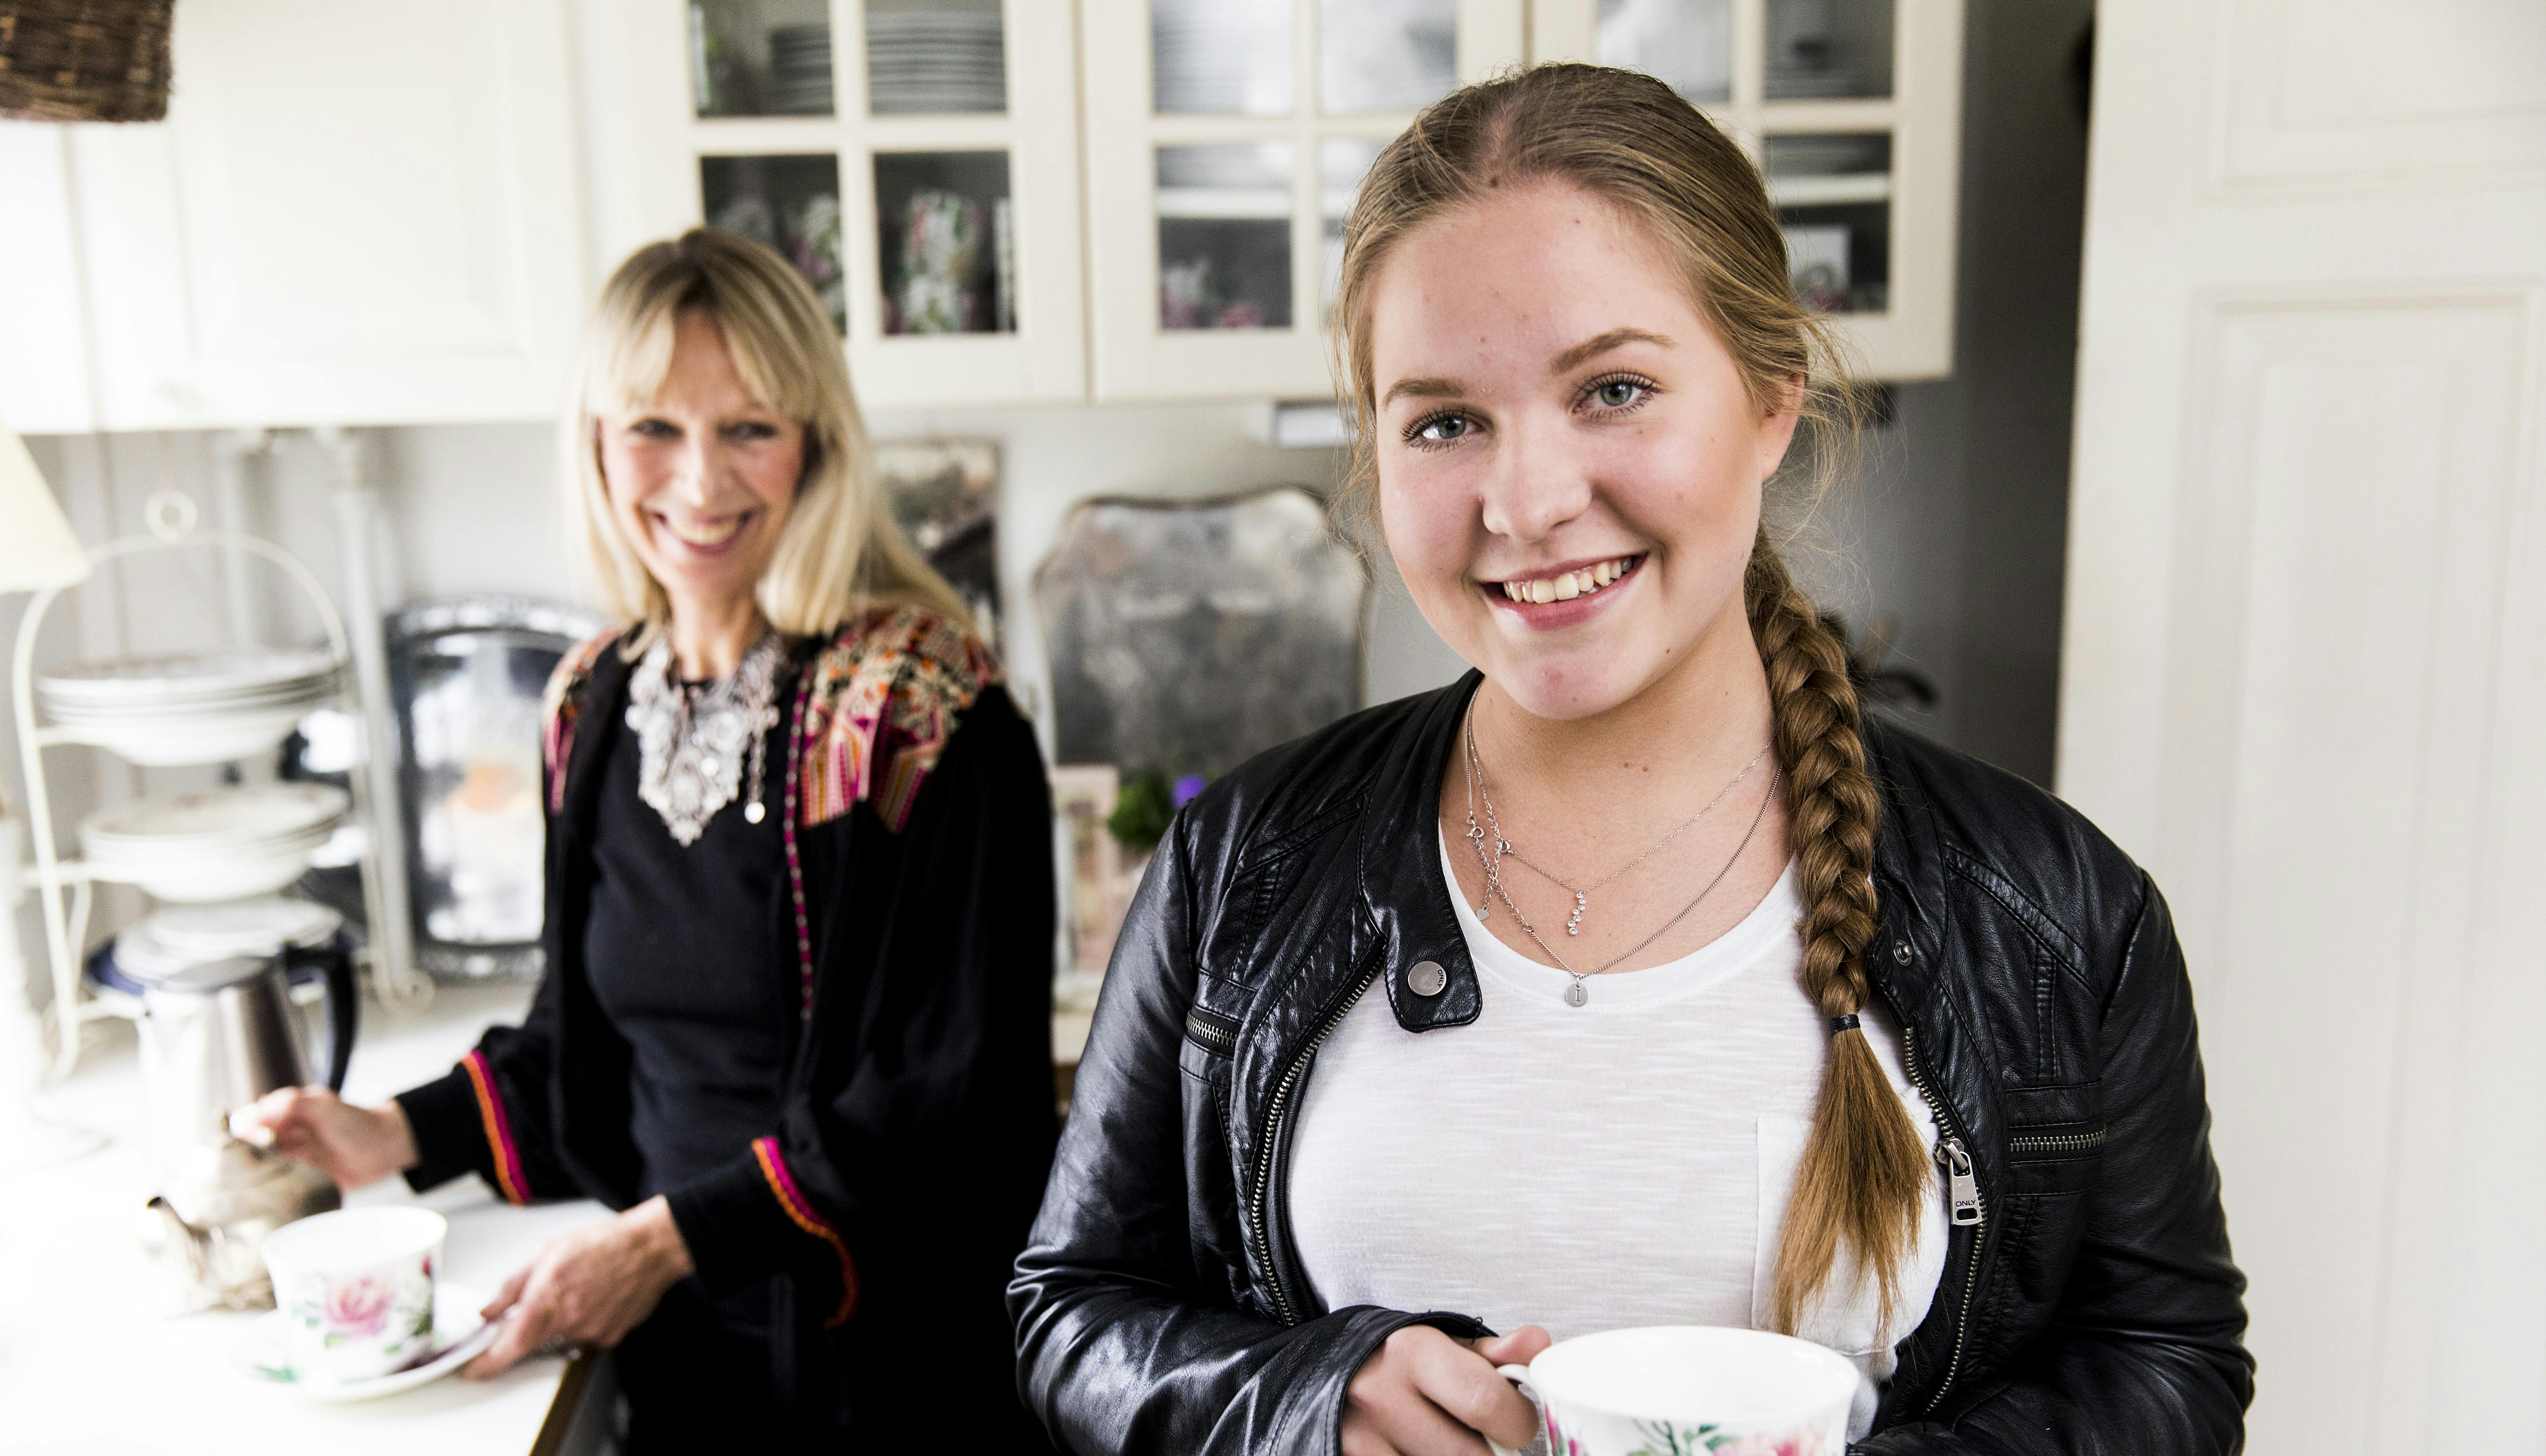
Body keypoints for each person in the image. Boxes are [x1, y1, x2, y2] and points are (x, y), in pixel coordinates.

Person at [1010, 64, 2251, 1456]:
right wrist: (1307, 1400)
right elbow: (1074, 1308)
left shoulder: (2061, 910)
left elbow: (2167, 1364)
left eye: (1612, 388)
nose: (1530, 502)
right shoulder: (1235, 862)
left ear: (1773, 395)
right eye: (1443, 420)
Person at [240, 230, 1058, 1449]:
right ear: (597, 446)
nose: (699, 481)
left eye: (750, 427)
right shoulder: (589, 703)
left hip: (889, 1360)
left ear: (817, 443)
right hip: (673, 1337)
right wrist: (392, 1132)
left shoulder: (921, 707)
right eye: (654, 430)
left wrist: (667, 1237)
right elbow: (586, 1042)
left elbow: (951, 1095)